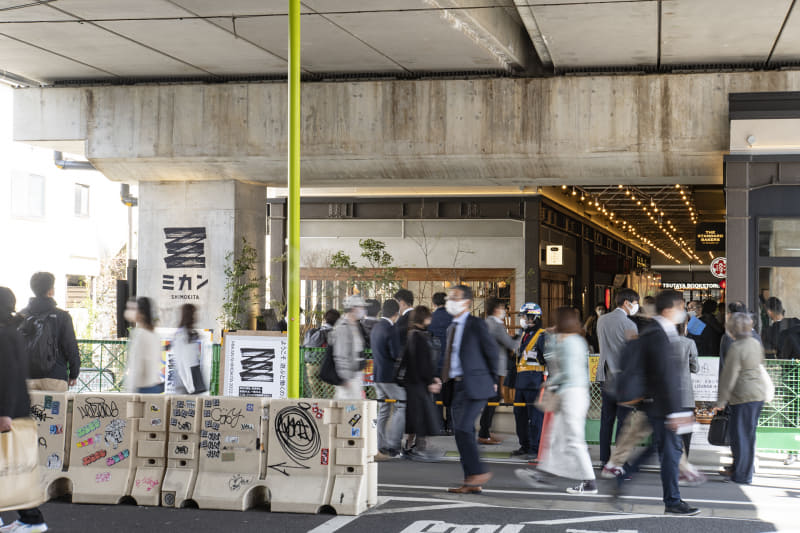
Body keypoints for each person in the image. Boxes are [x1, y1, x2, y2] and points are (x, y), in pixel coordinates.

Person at [626, 290, 700, 515]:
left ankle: (623, 479)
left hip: (660, 404)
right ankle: (672, 501)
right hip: (664, 405)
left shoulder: (659, 330)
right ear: (669, 309)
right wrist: (676, 411)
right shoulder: (658, 333)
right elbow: (664, 375)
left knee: (661, 450)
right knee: (670, 453)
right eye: (681, 307)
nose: (683, 312)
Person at [517, 307, 597, 494]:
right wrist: (553, 339)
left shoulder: (568, 342)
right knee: (556, 436)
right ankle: (544, 474)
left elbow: (564, 372)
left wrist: (548, 383)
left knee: (573, 439)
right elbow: (553, 360)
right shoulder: (576, 339)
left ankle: (589, 482)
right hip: (574, 393)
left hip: (571, 394)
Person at [440, 285, 498, 494]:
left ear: (466, 302)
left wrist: (493, 379)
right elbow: (448, 357)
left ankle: (479, 472)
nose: (450, 301)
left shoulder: (476, 324)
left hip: (476, 384)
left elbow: (492, 352)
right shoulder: (450, 327)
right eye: (449, 298)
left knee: (464, 428)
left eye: (454, 297)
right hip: (455, 385)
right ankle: (471, 481)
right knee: (460, 432)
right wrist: (440, 378)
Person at [0, 287, 49, 533]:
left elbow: (7, 375)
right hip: (17, 406)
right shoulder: (14, 331)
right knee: (12, 467)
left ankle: (33, 520)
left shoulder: (3, 334)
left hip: (7, 409)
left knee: (11, 466)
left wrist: (5, 412)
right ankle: (31, 519)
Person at [715, 313, 769, 485]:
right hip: (757, 394)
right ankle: (744, 472)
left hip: (743, 396)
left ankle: (742, 475)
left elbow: (729, 376)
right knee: (748, 435)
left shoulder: (736, 347)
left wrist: (721, 401)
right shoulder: (754, 342)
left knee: (740, 437)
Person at [596, 288, 639, 474]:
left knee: (606, 420)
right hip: (624, 378)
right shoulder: (629, 324)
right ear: (627, 303)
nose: (637, 306)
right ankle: (619, 461)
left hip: (605, 375)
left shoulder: (602, 320)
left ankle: (604, 459)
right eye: (635, 303)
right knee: (623, 421)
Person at [18, 272, 80, 392]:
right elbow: (70, 346)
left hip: (25, 377)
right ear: (51, 291)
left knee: (28, 405)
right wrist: (74, 373)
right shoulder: (62, 316)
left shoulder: (21, 316)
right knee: (56, 405)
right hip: (55, 376)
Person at [400, 306, 442, 462]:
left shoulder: (411, 334)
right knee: (421, 416)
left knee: (414, 416)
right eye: (429, 317)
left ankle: (409, 446)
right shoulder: (419, 337)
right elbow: (423, 363)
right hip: (419, 383)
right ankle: (419, 448)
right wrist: (430, 380)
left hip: (412, 382)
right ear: (424, 318)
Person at [478, 297, 518, 445]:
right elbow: (511, 344)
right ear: (496, 309)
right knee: (493, 399)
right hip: (494, 367)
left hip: (487, 366)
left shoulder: (485, 323)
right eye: (502, 308)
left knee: (492, 399)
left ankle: (485, 431)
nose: (504, 311)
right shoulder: (496, 325)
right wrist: (521, 336)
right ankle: (484, 433)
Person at [511, 302, 548, 460]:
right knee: (519, 415)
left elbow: (548, 359)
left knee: (535, 417)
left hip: (535, 382)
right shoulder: (522, 334)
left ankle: (534, 448)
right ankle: (524, 445)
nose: (523, 320)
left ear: (534, 317)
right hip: (521, 381)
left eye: (525, 317)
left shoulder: (542, 336)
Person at [372, 299, 403, 458]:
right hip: (389, 376)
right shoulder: (391, 329)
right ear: (396, 313)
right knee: (402, 405)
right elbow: (396, 353)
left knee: (383, 409)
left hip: (377, 375)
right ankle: (393, 444)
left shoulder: (376, 327)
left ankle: (380, 445)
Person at [124, 297, 164, 394]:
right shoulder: (155, 335)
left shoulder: (139, 334)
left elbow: (137, 366)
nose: (128, 312)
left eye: (132, 309)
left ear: (141, 313)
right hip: (154, 386)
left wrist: (130, 390)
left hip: (141, 388)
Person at [332, 295, 368, 400]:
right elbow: (340, 353)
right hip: (348, 377)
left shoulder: (355, 325)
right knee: (348, 406)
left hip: (355, 375)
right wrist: (345, 378)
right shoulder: (342, 326)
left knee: (354, 406)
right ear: (353, 308)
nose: (363, 310)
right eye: (361, 307)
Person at [428, 292, 452, 434]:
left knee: (436, 397)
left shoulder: (430, 319)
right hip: (450, 365)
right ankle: (451, 425)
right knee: (451, 396)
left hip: (435, 363)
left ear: (434, 303)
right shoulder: (453, 318)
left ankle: (439, 426)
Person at [720, 301, 762, 374]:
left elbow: (725, 365)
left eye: (728, 313)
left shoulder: (728, 337)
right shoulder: (756, 336)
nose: (726, 315)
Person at [172, 304, 205, 395]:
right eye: (194, 313)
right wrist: (189, 385)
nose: (197, 316)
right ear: (189, 315)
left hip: (192, 377)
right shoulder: (182, 335)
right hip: (186, 380)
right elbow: (182, 362)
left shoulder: (191, 333)